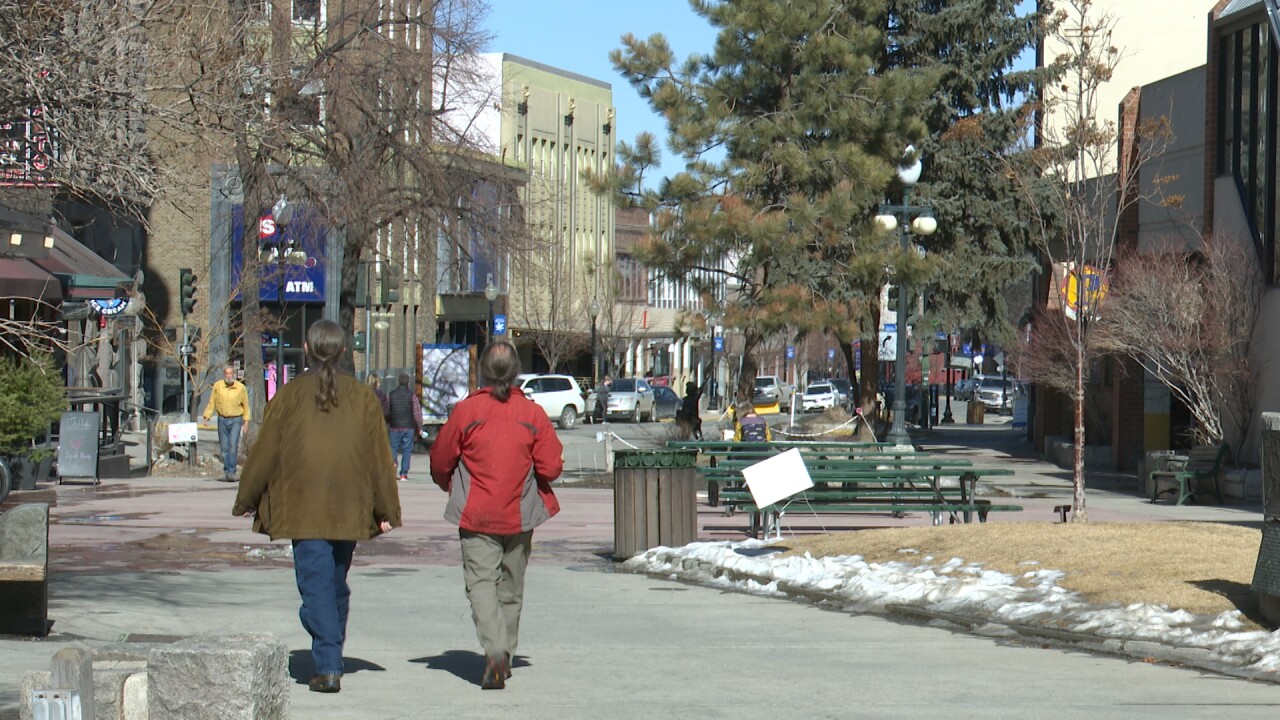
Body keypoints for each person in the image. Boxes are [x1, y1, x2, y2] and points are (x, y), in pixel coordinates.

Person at [232, 320, 401, 695]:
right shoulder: (362, 397)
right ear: (343, 352)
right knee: (332, 584)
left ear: (307, 350)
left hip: (302, 503)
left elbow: (264, 453)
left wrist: (247, 498)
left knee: (317, 587)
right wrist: (385, 509)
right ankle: (330, 653)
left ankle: (327, 665)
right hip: (350, 504)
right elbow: (379, 459)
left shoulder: (290, 396)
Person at [430, 341, 563, 690]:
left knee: (481, 585)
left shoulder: (467, 411)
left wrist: (449, 483)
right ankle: (505, 653)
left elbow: (441, 459)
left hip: (477, 515)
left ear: (483, 371)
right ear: (516, 372)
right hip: (520, 515)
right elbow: (551, 466)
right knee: (512, 587)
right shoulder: (532, 414)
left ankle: (496, 652)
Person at [202, 364, 251, 482]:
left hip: (236, 419)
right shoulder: (218, 386)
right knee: (224, 448)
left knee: (233, 446)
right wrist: (207, 416)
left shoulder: (240, 388)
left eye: (231, 374)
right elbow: (212, 401)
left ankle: (232, 472)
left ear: (234, 374)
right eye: (227, 374)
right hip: (222, 419)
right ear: (224, 375)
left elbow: (246, 405)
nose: (229, 376)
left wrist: (246, 422)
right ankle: (227, 471)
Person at [382, 373, 423, 482]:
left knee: (393, 449)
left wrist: (387, 422)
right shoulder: (411, 395)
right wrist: (420, 426)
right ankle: (403, 474)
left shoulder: (391, 395)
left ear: (397, 382)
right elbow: (417, 412)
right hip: (408, 427)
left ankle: (393, 465)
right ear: (408, 383)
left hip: (394, 426)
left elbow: (386, 411)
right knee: (407, 450)